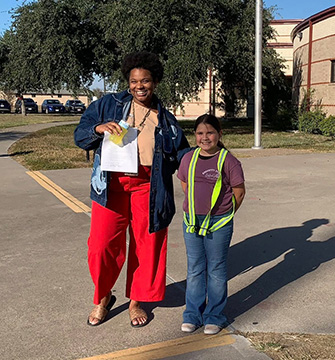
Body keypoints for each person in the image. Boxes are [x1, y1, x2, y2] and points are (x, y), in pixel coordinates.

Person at [74, 51, 189, 328]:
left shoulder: (166, 119)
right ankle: (103, 297)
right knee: (101, 246)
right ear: (128, 82)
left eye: (146, 81)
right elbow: (81, 135)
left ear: (155, 82)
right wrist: (98, 129)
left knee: (147, 245)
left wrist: (206, 169)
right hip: (111, 186)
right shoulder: (108, 105)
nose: (140, 86)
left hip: (149, 187)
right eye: (135, 81)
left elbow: (182, 155)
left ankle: (137, 300)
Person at [177, 114, 245, 335]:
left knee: (216, 269)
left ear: (219, 134)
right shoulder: (188, 158)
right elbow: (185, 184)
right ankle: (193, 315)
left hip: (218, 223)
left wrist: (224, 214)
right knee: (195, 268)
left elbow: (239, 192)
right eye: (199, 133)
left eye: (210, 133)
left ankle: (214, 315)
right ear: (194, 135)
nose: (205, 138)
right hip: (192, 222)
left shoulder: (229, 161)